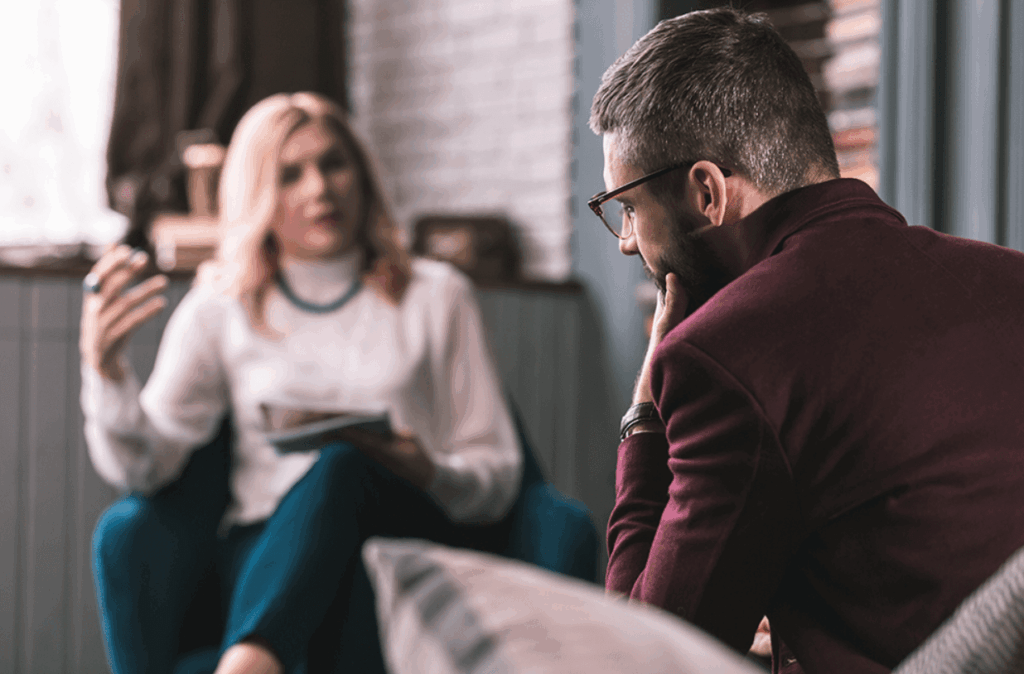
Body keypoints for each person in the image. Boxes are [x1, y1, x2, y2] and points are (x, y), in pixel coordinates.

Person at [589, 8, 1024, 674]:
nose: (625, 242)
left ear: (706, 192)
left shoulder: (726, 353)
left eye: (626, 207)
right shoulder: (1010, 277)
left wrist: (643, 418)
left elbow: (642, 658)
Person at [80, 91, 523, 674]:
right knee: (335, 544)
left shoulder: (438, 296)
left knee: (346, 465)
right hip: (267, 553)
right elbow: (147, 469)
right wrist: (107, 374)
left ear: (361, 174)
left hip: (402, 540)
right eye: (291, 174)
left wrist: (429, 471)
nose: (320, 189)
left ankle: (249, 663)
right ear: (259, 194)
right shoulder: (221, 305)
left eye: (333, 163)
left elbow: (498, 476)